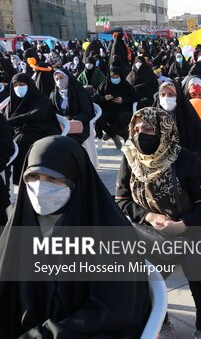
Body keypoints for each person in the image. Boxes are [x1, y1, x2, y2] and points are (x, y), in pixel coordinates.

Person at [0, 136, 150, 337]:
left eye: (53, 178)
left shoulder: (110, 233)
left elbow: (109, 312)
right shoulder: (22, 222)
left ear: (76, 179)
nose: (39, 187)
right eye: (33, 177)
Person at [116, 108, 201, 339]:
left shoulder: (186, 159)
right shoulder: (131, 158)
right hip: (152, 229)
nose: (140, 134)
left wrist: (183, 225)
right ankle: (159, 318)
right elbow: (122, 199)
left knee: (198, 260)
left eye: (149, 129)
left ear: (164, 131)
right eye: (137, 129)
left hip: (198, 227)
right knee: (135, 263)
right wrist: (149, 216)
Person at [156, 81, 201, 181]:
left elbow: (199, 147)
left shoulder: (190, 118)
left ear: (178, 96)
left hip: (188, 168)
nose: (166, 98)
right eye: (162, 95)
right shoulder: (153, 117)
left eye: (171, 94)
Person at [3, 73, 61, 185]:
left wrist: (8, 122)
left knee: (20, 140)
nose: (18, 88)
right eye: (15, 85)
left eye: (21, 84)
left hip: (41, 131)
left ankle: (20, 177)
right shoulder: (12, 102)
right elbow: (7, 119)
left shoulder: (41, 99)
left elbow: (34, 115)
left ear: (29, 84)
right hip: (19, 131)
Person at [93, 67, 138, 149]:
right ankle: (114, 136)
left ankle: (111, 132)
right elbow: (95, 98)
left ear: (120, 76)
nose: (115, 79)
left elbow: (135, 98)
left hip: (122, 108)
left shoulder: (126, 85)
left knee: (124, 117)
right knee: (99, 118)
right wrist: (104, 98)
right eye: (113, 77)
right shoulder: (104, 84)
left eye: (117, 77)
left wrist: (123, 100)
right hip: (107, 109)